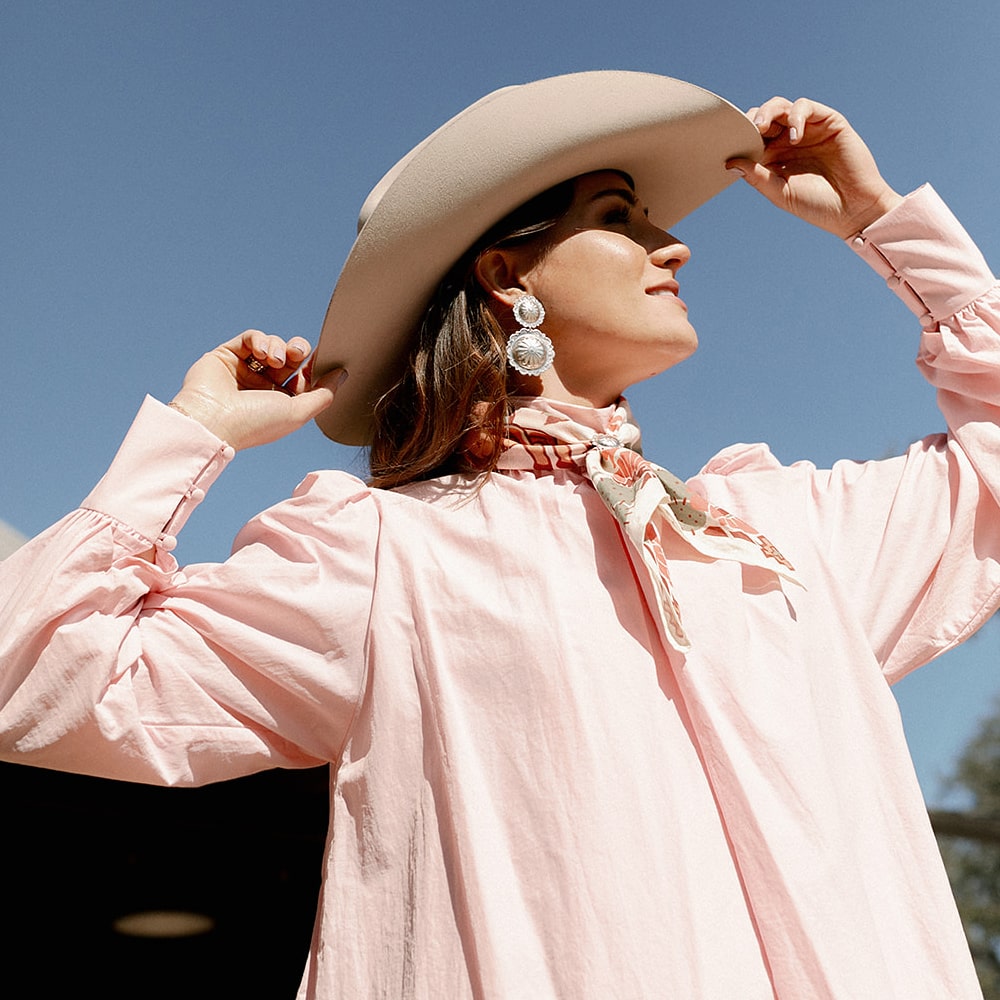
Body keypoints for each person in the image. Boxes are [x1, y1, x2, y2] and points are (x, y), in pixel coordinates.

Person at [0, 70, 996, 998]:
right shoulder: (382, 552)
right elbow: (38, 677)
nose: (676, 244)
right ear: (503, 272)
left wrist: (882, 223)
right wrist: (192, 436)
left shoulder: (779, 531)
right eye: (619, 217)